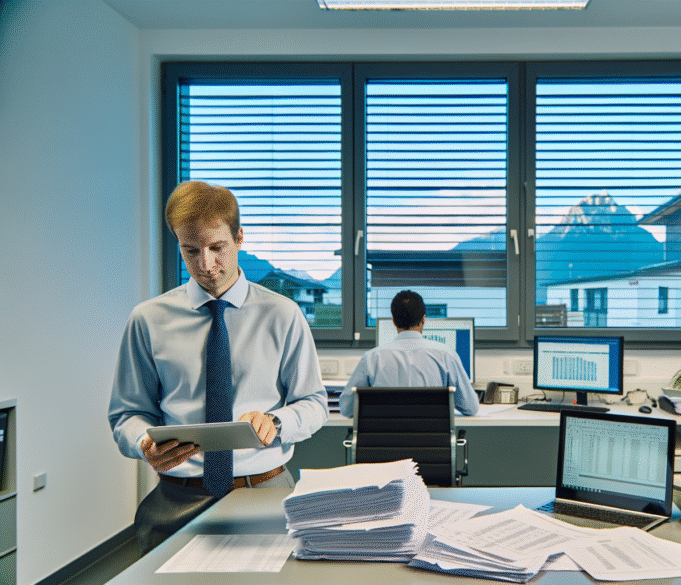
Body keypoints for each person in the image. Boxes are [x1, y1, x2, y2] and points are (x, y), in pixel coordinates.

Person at [108, 180, 328, 554]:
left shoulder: (283, 315)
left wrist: (276, 423)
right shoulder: (148, 319)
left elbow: (314, 403)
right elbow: (127, 414)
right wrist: (143, 442)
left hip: (265, 491)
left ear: (239, 238)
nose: (206, 265)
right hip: (177, 499)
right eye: (190, 250)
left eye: (217, 247)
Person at [338, 290, 480, 418]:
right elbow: (471, 408)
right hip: (431, 445)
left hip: (384, 445)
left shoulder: (371, 359)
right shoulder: (446, 356)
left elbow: (346, 409)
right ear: (423, 320)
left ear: (393, 320)